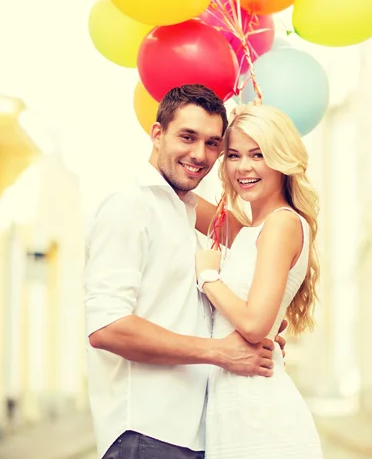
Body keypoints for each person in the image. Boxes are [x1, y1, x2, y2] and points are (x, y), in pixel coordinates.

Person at [84, 84, 286, 459]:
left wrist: (261, 326)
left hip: (193, 433)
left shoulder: (185, 209)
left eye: (213, 144)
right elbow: (107, 327)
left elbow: (257, 244)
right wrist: (222, 352)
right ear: (157, 134)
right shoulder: (130, 204)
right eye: (188, 137)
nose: (199, 155)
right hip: (145, 431)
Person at [194, 103, 324, 458]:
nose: (244, 167)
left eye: (258, 153)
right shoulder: (247, 230)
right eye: (233, 155)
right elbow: (182, 195)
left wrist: (208, 277)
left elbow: (254, 324)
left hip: (261, 415)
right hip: (234, 408)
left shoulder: (282, 223)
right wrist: (222, 119)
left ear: (281, 159)